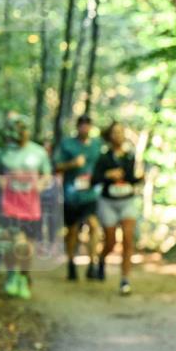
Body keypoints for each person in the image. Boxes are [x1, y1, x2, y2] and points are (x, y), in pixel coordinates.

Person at [0, 114, 52, 300]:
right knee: (16, 242)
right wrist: (0, 181)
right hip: (10, 206)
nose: (21, 132)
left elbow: (47, 175)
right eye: (17, 128)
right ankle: (12, 275)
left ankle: (23, 277)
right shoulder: (3, 152)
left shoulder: (39, 152)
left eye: (24, 128)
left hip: (32, 207)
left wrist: (40, 184)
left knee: (28, 248)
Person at [92, 121, 141, 296]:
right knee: (111, 241)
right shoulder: (103, 157)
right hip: (108, 202)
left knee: (128, 238)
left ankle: (125, 279)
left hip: (127, 200)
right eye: (115, 132)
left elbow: (132, 178)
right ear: (109, 136)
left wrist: (140, 178)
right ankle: (101, 259)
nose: (118, 135)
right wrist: (107, 175)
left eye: (121, 132)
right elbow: (94, 179)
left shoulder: (129, 156)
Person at [54, 114, 103, 281]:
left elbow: (101, 165)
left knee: (94, 226)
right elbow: (56, 166)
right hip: (71, 195)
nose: (85, 128)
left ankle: (92, 264)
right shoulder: (67, 144)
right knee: (73, 230)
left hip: (90, 194)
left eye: (88, 124)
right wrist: (72, 164)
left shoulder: (96, 145)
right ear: (77, 127)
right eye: (82, 124)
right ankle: (71, 264)